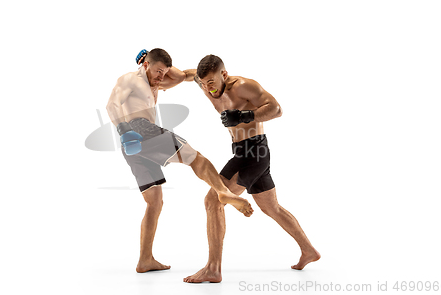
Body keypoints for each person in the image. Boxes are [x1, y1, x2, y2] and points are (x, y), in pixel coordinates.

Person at [106, 49, 254, 274]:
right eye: (158, 71)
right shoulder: (130, 79)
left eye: (163, 72)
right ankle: (222, 191)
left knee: (154, 202)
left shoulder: (154, 82)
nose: (161, 76)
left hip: (133, 148)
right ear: (145, 64)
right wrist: (123, 128)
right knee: (196, 158)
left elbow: (183, 75)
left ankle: (145, 259)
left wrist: (210, 78)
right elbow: (112, 104)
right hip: (138, 131)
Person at [182, 54, 320, 283]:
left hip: (253, 152)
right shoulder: (205, 83)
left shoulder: (243, 86)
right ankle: (309, 251)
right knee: (272, 207)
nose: (209, 89)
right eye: (204, 84)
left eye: (212, 83)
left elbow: (276, 109)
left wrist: (246, 115)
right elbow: (185, 75)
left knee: (214, 200)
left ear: (224, 75)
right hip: (245, 152)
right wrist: (156, 73)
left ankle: (213, 269)